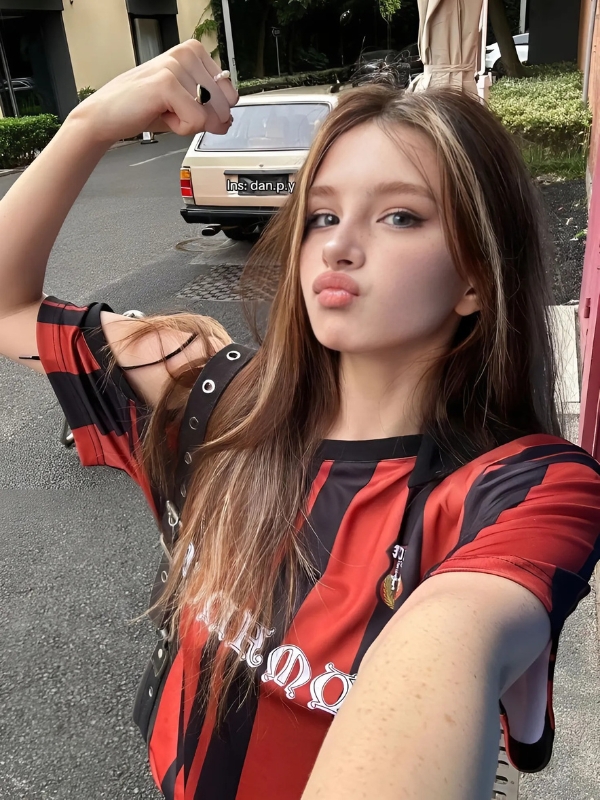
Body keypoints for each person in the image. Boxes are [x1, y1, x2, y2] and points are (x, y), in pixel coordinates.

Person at [0, 39, 599, 800]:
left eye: (400, 216)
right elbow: (10, 309)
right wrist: (89, 124)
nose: (338, 247)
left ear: (476, 280)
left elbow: (450, 639)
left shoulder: (524, 491)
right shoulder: (212, 392)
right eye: (321, 215)